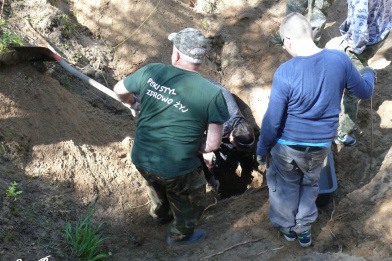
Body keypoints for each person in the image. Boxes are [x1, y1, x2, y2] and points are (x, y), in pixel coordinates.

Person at [257, 13, 375, 247]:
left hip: (287, 146)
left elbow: (272, 120)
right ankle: (304, 230)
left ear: (288, 41)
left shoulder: (285, 71)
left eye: (283, 43)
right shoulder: (340, 61)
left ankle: (287, 228)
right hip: (321, 145)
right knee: (310, 183)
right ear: (311, 33)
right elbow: (364, 92)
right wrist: (369, 73)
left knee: (286, 184)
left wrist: (262, 149)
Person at [113, 28, 230, 246]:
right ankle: (180, 233)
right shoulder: (212, 93)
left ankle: (160, 215)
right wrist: (196, 148)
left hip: (141, 157)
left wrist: (133, 103)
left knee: (156, 183)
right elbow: (213, 144)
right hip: (177, 168)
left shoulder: (152, 71)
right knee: (189, 197)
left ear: (176, 55)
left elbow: (119, 90)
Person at [332, 0, 392, 146]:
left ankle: (347, 134)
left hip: (364, 42)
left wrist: (356, 48)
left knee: (351, 90)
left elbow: (359, 23)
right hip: (381, 32)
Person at [201, 79, 256, 196]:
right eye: (236, 145)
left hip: (212, 89)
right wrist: (206, 152)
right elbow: (197, 132)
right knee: (218, 158)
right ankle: (218, 182)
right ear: (231, 136)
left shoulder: (242, 125)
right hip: (201, 91)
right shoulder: (221, 126)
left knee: (229, 157)